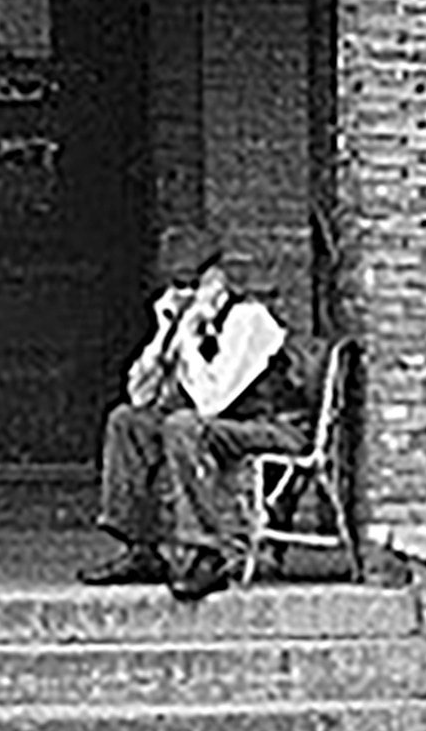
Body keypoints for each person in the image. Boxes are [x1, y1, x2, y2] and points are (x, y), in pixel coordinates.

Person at [77, 222, 310, 603]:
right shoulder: (182, 321)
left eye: (191, 285)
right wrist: (162, 338)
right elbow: (141, 397)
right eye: (176, 285)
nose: (182, 295)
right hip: (219, 424)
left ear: (215, 279)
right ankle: (141, 548)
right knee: (128, 422)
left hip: (271, 425)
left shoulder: (247, 320)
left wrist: (188, 340)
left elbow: (212, 401)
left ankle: (205, 554)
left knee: (183, 426)